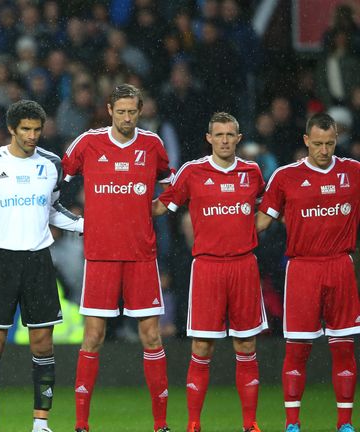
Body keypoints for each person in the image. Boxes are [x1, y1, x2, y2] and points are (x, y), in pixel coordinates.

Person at [62, 84, 173, 432]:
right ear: (109, 109)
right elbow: (56, 181)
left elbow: (171, 184)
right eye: (121, 111)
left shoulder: (152, 145)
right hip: (100, 256)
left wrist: (156, 208)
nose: (127, 117)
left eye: (133, 112)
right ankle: (82, 424)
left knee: (151, 337)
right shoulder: (87, 143)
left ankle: (161, 425)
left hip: (141, 256)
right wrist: (72, 220)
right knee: (93, 336)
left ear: (140, 111)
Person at [0, 100, 83, 432]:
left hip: (38, 260)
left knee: (43, 342)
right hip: (0, 259)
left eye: (37, 129)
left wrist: (86, 225)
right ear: (11, 129)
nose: (33, 136)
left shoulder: (51, 164)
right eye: (26, 130)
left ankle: (40, 423)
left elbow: (54, 209)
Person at [153, 113, 266, 432]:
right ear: (209, 138)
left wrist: (248, 236)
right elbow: (163, 205)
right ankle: (193, 424)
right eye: (220, 134)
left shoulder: (252, 172)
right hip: (207, 268)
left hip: (244, 266)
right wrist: (123, 209)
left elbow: (268, 210)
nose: (225, 140)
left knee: (246, 346)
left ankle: (250, 424)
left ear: (239, 138)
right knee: (202, 347)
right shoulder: (192, 172)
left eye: (231, 134)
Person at [256, 112, 360, 432]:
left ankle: (344, 423)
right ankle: (292, 423)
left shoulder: (354, 172)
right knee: (298, 348)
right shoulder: (286, 177)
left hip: (341, 265)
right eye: (317, 144)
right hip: (302, 268)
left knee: (343, 346)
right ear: (305, 141)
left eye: (330, 144)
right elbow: (261, 223)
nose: (324, 150)